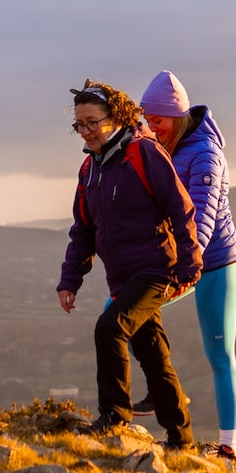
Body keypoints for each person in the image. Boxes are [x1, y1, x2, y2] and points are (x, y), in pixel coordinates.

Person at [56, 81, 204, 446]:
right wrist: (70, 280)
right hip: (121, 277)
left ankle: (114, 415)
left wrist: (189, 263)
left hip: (156, 268)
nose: (86, 131)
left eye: (92, 122)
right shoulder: (90, 169)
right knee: (153, 354)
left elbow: (180, 208)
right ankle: (181, 437)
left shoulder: (144, 153)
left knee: (109, 329)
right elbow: (83, 230)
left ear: (116, 117)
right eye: (79, 125)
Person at [139, 71, 236, 461]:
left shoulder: (205, 154)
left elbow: (201, 218)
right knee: (118, 311)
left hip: (215, 260)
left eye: (158, 120)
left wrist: (187, 268)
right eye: (147, 120)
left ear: (177, 116)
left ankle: (228, 449)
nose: (152, 127)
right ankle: (164, 389)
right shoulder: (159, 146)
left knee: (220, 354)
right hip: (176, 260)